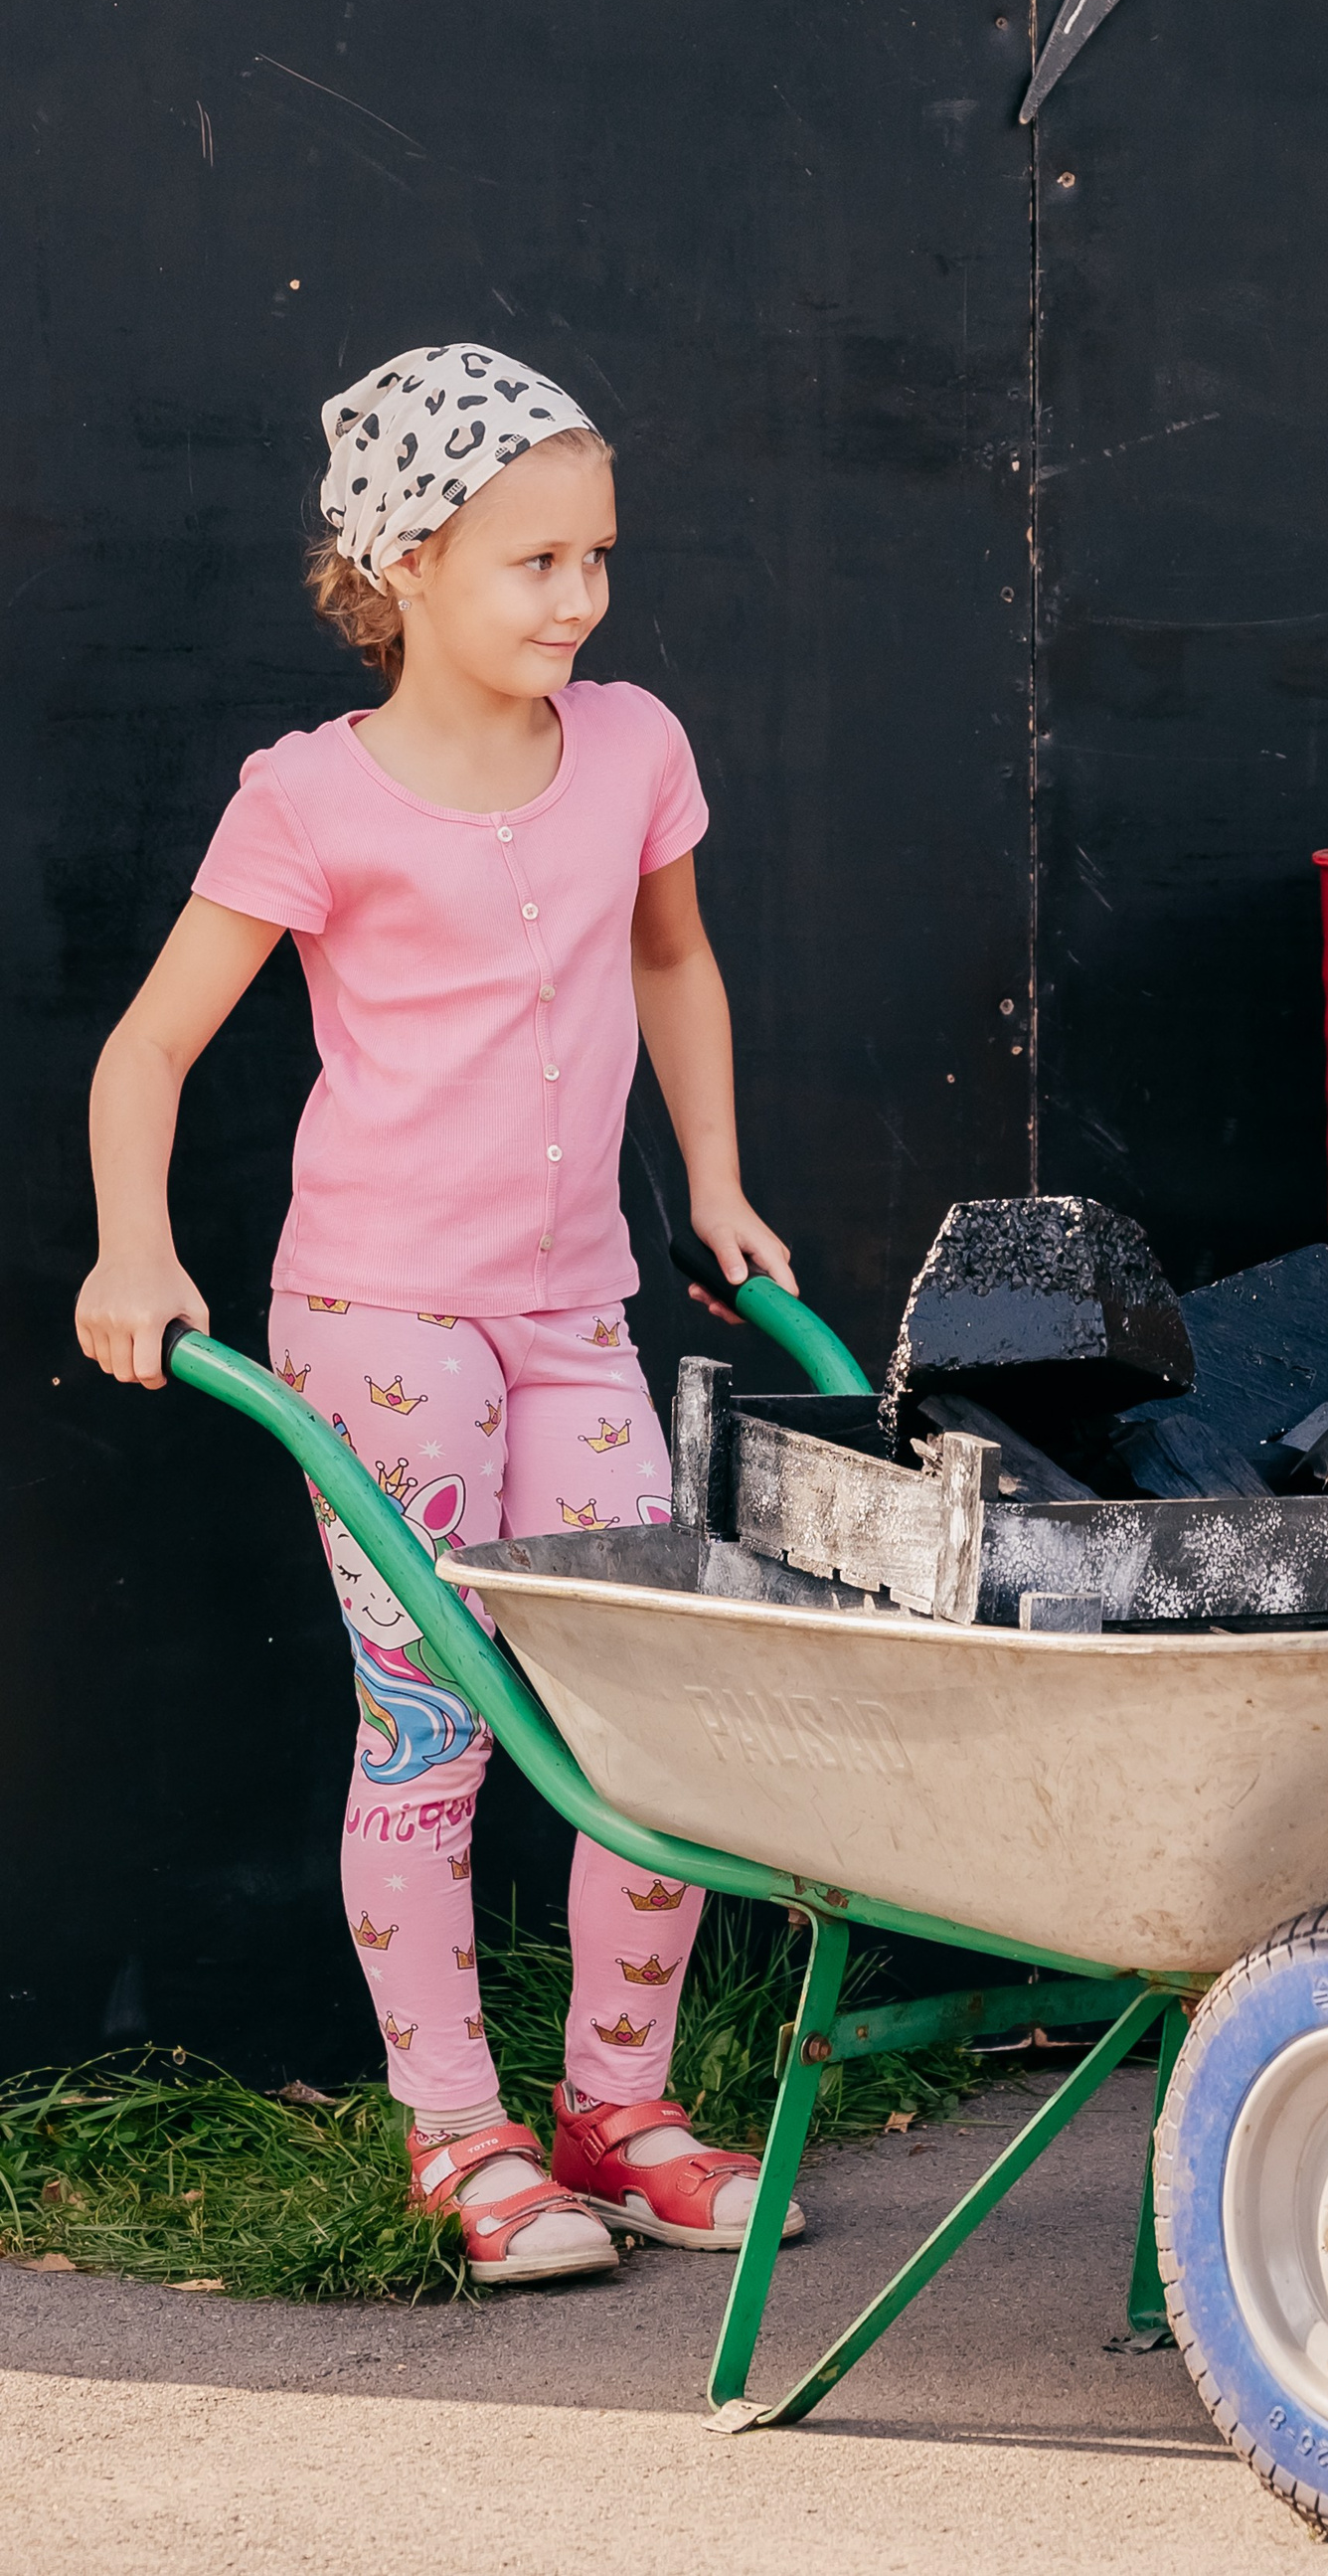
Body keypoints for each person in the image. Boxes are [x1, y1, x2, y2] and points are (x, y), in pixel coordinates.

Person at [76, 345, 802, 2284]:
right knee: (429, 1718)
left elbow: (676, 964)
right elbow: (147, 1050)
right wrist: (135, 1249)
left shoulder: (631, 749)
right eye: (535, 561)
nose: (580, 598)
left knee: (643, 1708)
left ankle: (618, 2109)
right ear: (404, 563)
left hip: (577, 1309)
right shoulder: (312, 797)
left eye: (598, 557)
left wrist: (715, 1184)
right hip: (381, 1320)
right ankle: (458, 2135)